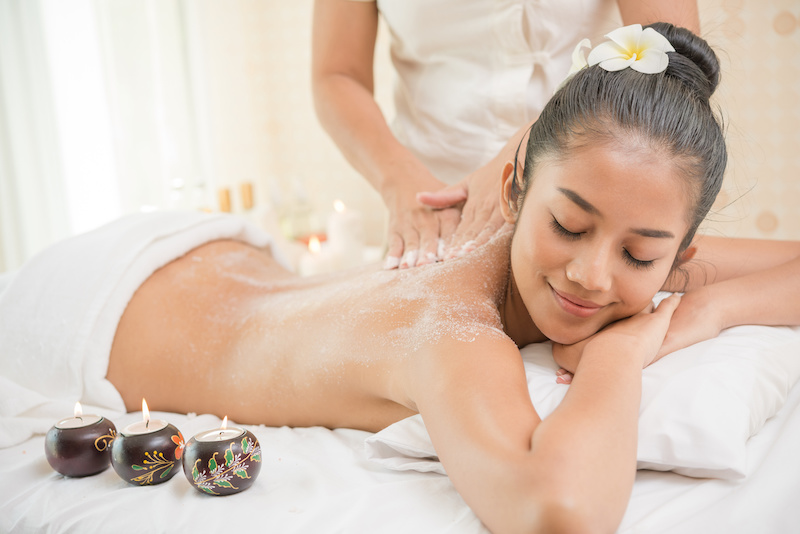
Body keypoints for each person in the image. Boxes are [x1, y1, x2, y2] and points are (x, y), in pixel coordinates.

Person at [104, 23, 800, 533]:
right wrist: (619, 355)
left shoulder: (600, 221)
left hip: (231, 266)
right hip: (111, 301)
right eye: (567, 226)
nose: (592, 275)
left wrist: (709, 312)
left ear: (680, 256)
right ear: (512, 192)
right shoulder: (451, 326)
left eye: (641, 257)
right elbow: (558, 512)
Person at [312, 0, 702, 269]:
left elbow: (676, 61)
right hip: (431, 218)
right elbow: (337, 75)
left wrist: (526, 148)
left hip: (585, 202)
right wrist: (400, 183)